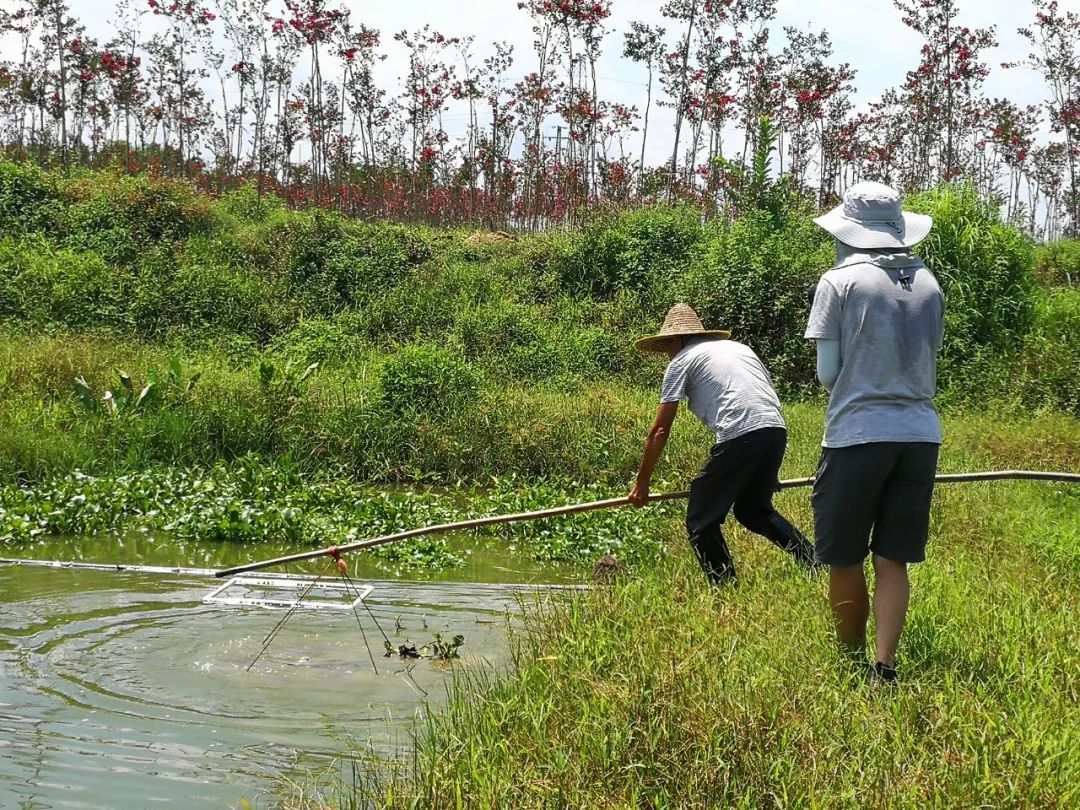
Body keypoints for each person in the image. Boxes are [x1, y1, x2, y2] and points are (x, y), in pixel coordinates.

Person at [805, 181, 944, 682]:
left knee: (843, 554)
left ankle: (847, 658)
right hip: (921, 435)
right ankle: (883, 663)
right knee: (892, 559)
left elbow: (826, 373)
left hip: (858, 434)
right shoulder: (928, 281)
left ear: (850, 231)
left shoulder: (839, 281)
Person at [629, 303, 817, 584]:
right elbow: (761, 398)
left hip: (741, 435)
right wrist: (764, 469)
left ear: (676, 340)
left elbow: (659, 430)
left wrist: (642, 483)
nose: (667, 353)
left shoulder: (681, 361)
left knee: (700, 520)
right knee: (753, 510)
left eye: (667, 345)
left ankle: (726, 588)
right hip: (774, 431)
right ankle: (815, 563)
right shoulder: (740, 349)